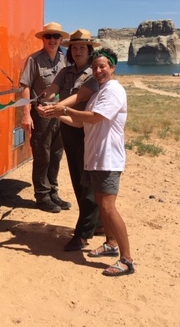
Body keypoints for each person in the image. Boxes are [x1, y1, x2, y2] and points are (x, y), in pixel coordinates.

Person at [42, 47, 135, 276]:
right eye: (94, 67)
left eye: (103, 66)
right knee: (102, 205)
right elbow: (82, 123)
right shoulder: (98, 93)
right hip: (95, 158)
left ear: (112, 68)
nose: (98, 70)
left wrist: (63, 107)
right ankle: (111, 244)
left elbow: (95, 118)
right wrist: (55, 115)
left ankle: (127, 259)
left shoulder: (114, 91)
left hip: (108, 159)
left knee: (108, 207)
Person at [37, 29, 104, 251]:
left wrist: (58, 107)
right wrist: (42, 100)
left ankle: (83, 233)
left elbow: (82, 95)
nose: (77, 51)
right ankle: (99, 224)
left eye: (81, 48)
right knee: (78, 179)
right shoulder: (65, 72)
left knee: (87, 181)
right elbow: (52, 89)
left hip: (87, 132)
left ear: (89, 50)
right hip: (69, 128)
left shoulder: (93, 74)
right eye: (74, 47)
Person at [20, 21, 72, 213]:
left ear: (61, 39)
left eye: (56, 36)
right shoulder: (34, 60)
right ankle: (42, 196)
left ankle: (53, 192)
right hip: (41, 114)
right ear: (43, 39)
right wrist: (26, 114)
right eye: (48, 36)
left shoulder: (65, 59)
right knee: (43, 155)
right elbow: (24, 87)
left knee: (57, 154)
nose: (52, 40)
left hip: (60, 112)